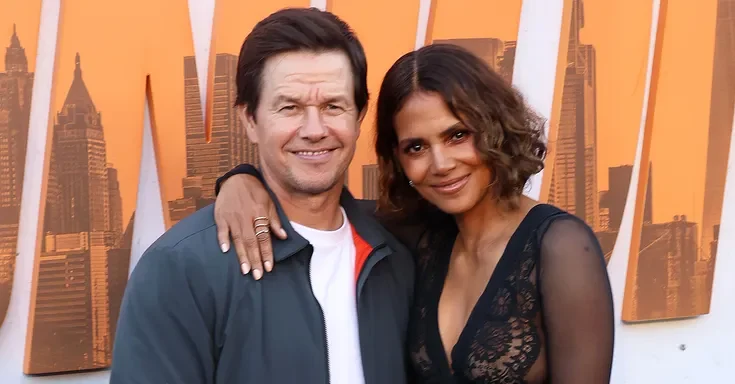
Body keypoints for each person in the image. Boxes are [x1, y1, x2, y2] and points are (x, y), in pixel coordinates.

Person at [213, 43, 615, 383]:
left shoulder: (560, 247)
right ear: (398, 160)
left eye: (457, 135)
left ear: (494, 127)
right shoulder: (413, 237)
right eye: (416, 147)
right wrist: (241, 180)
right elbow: (319, 209)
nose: (440, 164)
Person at [110, 8, 415, 384]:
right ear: (250, 120)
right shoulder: (180, 269)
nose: (315, 130)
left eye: (333, 106)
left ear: (360, 115)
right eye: (290, 108)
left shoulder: (398, 252)